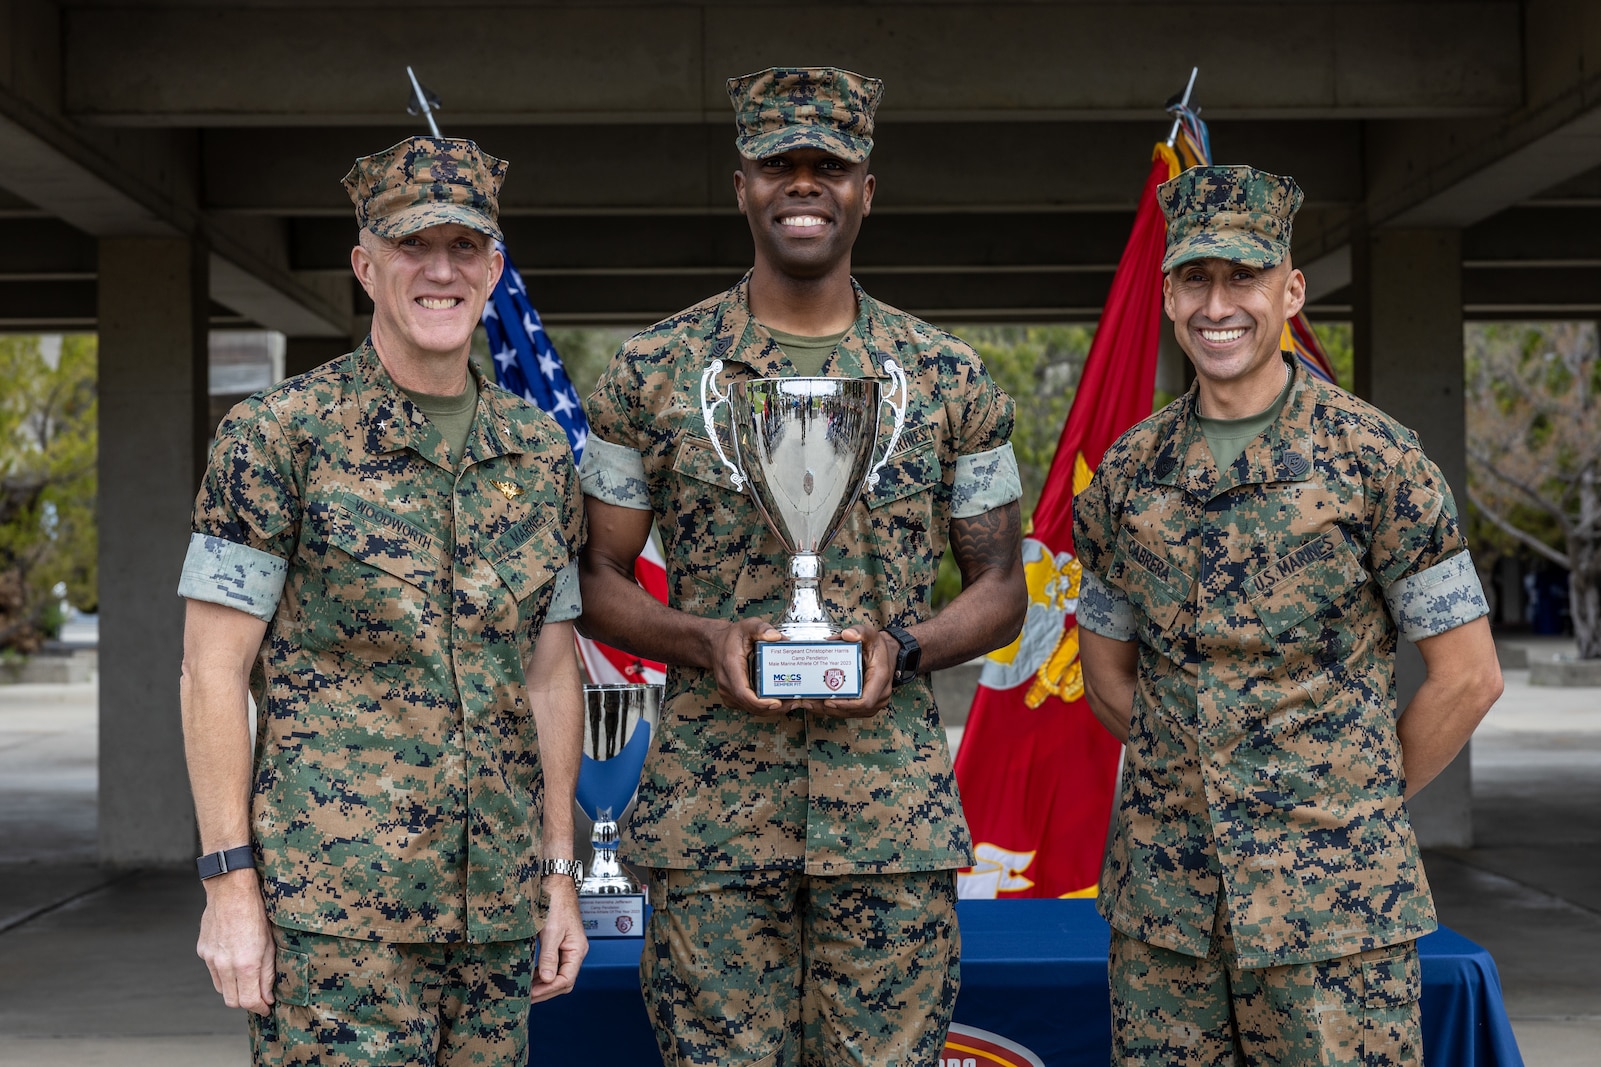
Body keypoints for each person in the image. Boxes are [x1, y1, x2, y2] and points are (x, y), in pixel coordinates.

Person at [576, 66, 1026, 1066]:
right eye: (780, 163)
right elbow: (594, 577)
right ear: (740, 184)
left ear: (868, 188)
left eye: (831, 165)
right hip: (710, 823)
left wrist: (901, 648)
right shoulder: (652, 372)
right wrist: (704, 638)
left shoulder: (946, 377)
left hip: (889, 828)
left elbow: (1000, 590)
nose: (804, 184)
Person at [1073, 164, 1505, 1065]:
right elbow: (1107, 673)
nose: (1217, 302)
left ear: (1290, 288)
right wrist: (1198, 785)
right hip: (1166, 916)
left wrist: (1350, 805)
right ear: (1166, 295)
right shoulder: (1124, 475)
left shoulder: (1377, 461)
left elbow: (1467, 676)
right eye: (1196, 277)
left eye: (1244, 275)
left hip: (1334, 917)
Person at [177, 136, 588, 1066]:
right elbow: (211, 672)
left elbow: (550, 674)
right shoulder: (276, 437)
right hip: (336, 920)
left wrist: (559, 873)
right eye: (413, 246)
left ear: (493, 267)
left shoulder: (538, 453)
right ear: (366, 266)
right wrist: (228, 884)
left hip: (494, 921)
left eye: (464, 246)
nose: (439, 270)